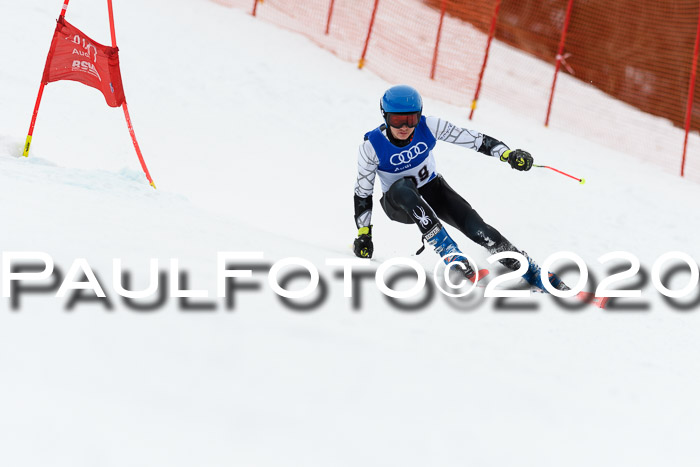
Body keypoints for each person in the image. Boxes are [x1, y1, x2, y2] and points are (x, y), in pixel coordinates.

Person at [352, 84, 568, 290]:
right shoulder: (371, 146)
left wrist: (506, 154)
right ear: (385, 116)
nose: (405, 127)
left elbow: (471, 139)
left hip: (431, 189)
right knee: (402, 187)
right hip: (399, 204)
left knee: (479, 229)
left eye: (411, 119)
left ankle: (531, 271)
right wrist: (364, 234)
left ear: (419, 116)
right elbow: (363, 192)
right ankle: (450, 252)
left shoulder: (429, 126)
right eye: (397, 120)